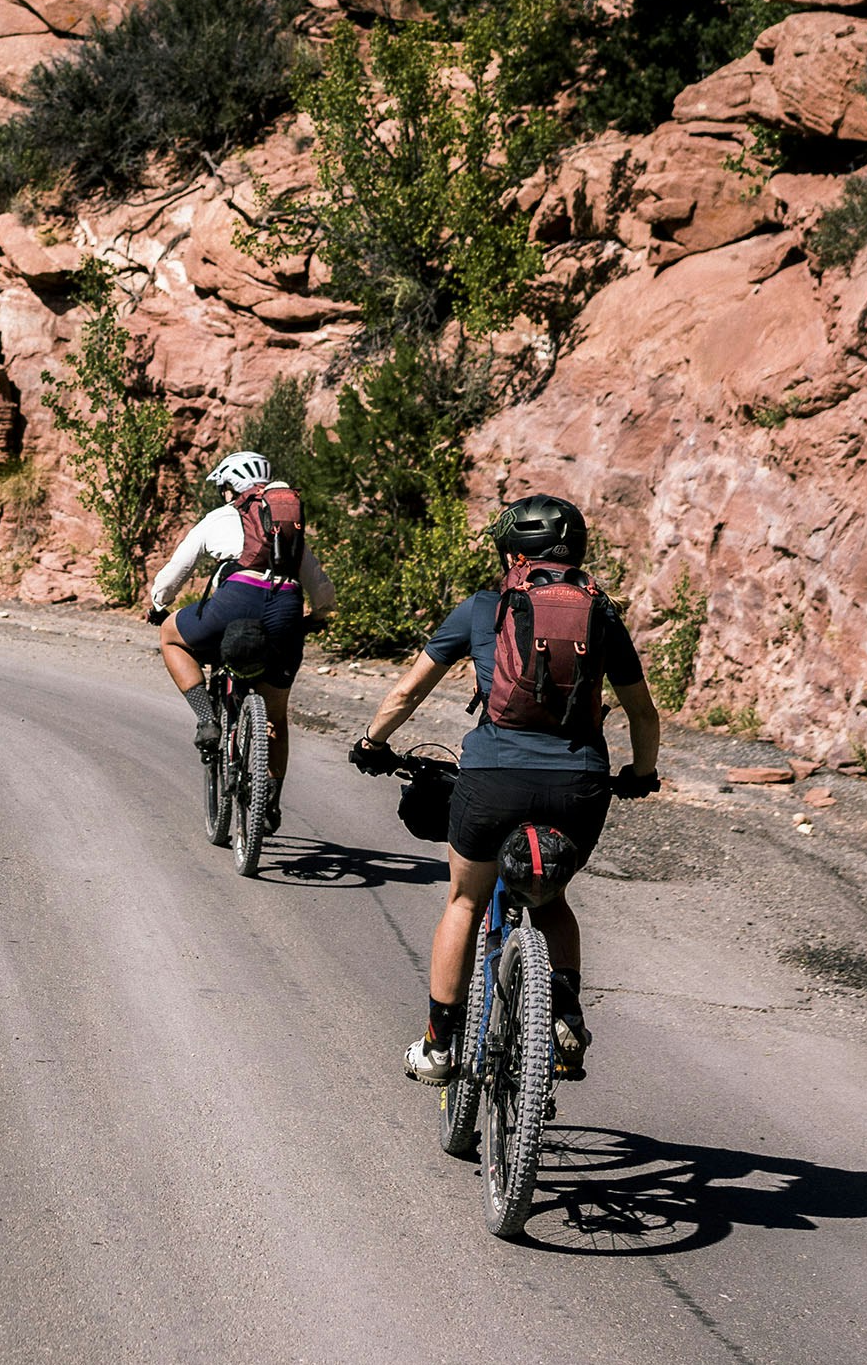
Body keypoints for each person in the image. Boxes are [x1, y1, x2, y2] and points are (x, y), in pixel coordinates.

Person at [348, 493, 658, 1084]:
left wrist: (371, 742)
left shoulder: (482, 609)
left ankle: (440, 1047)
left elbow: (407, 693)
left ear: (514, 553)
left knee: (464, 901)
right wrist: (641, 775)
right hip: (581, 784)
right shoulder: (602, 615)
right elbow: (642, 713)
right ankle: (563, 1016)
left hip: (494, 778)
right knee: (555, 901)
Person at [146, 452, 335, 801]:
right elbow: (321, 587)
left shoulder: (220, 517)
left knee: (171, 637)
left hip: (234, 601)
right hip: (286, 608)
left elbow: (178, 569)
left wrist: (159, 603)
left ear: (231, 487)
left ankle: (206, 719)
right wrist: (317, 617)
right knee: (276, 718)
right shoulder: (286, 525)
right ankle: (270, 801)